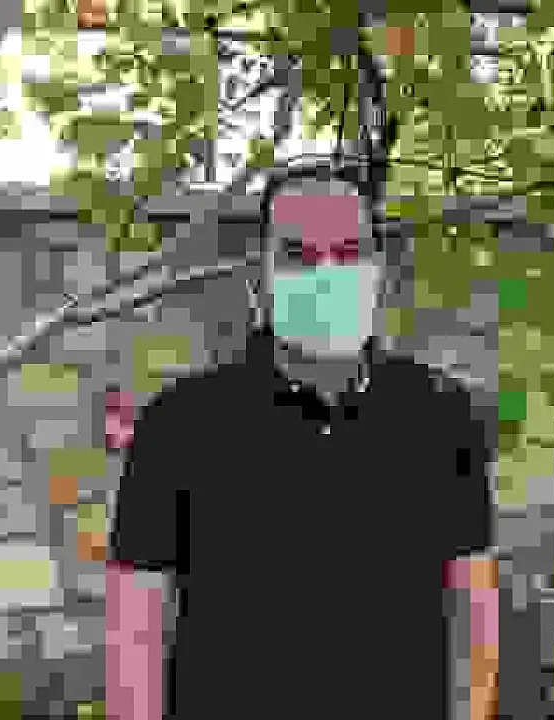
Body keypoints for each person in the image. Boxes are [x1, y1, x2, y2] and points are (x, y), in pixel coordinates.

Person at [105, 166, 499, 720]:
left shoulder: (441, 414)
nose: (328, 273)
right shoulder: (177, 424)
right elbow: (135, 638)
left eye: (350, 252)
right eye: (299, 255)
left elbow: (473, 615)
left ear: (378, 267)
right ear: (260, 272)